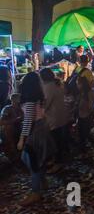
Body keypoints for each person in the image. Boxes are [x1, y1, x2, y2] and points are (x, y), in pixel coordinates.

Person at [17, 72, 55, 206]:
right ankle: (42, 180)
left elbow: (28, 121)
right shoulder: (39, 97)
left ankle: (35, 192)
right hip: (42, 128)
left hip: (35, 133)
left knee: (31, 161)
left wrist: (22, 139)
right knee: (39, 158)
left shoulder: (30, 101)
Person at [40, 68, 69, 174]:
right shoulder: (58, 83)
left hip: (53, 117)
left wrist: (40, 110)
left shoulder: (48, 87)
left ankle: (58, 163)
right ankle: (57, 160)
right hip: (61, 115)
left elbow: (46, 104)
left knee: (55, 141)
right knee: (59, 140)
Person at [76, 76, 94, 155]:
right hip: (81, 115)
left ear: (82, 84)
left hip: (88, 115)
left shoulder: (91, 92)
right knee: (82, 133)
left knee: (85, 133)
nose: (77, 85)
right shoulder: (81, 92)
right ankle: (87, 148)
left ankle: (90, 148)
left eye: (78, 83)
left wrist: (93, 109)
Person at [0, 93, 23, 164]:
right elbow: (1, 121)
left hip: (18, 129)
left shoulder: (20, 109)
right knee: (8, 129)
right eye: (17, 99)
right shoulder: (7, 108)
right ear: (12, 100)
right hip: (8, 131)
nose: (18, 101)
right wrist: (15, 120)